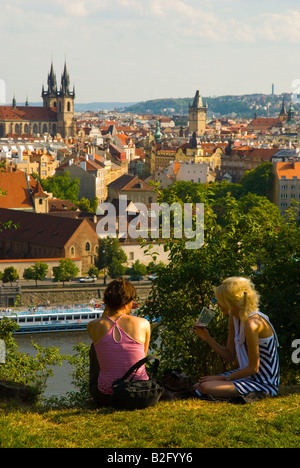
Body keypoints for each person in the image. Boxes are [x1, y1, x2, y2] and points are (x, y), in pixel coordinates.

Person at [193, 276, 280, 400]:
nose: (218, 305)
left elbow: (253, 368)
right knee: (198, 385)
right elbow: (229, 355)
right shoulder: (234, 319)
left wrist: (220, 378)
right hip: (247, 377)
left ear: (232, 302)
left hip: (263, 383)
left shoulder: (252, 324)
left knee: (206, 387)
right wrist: (207, 337)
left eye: (221, 301)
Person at [87, 278, 151, 406]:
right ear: (128, 302)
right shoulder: (143, 323)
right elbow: (142, 356)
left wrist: (108, 309)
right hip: (139, 391)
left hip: (107, 395)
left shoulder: (92, 326)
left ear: (106, 302)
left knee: (96, 348)